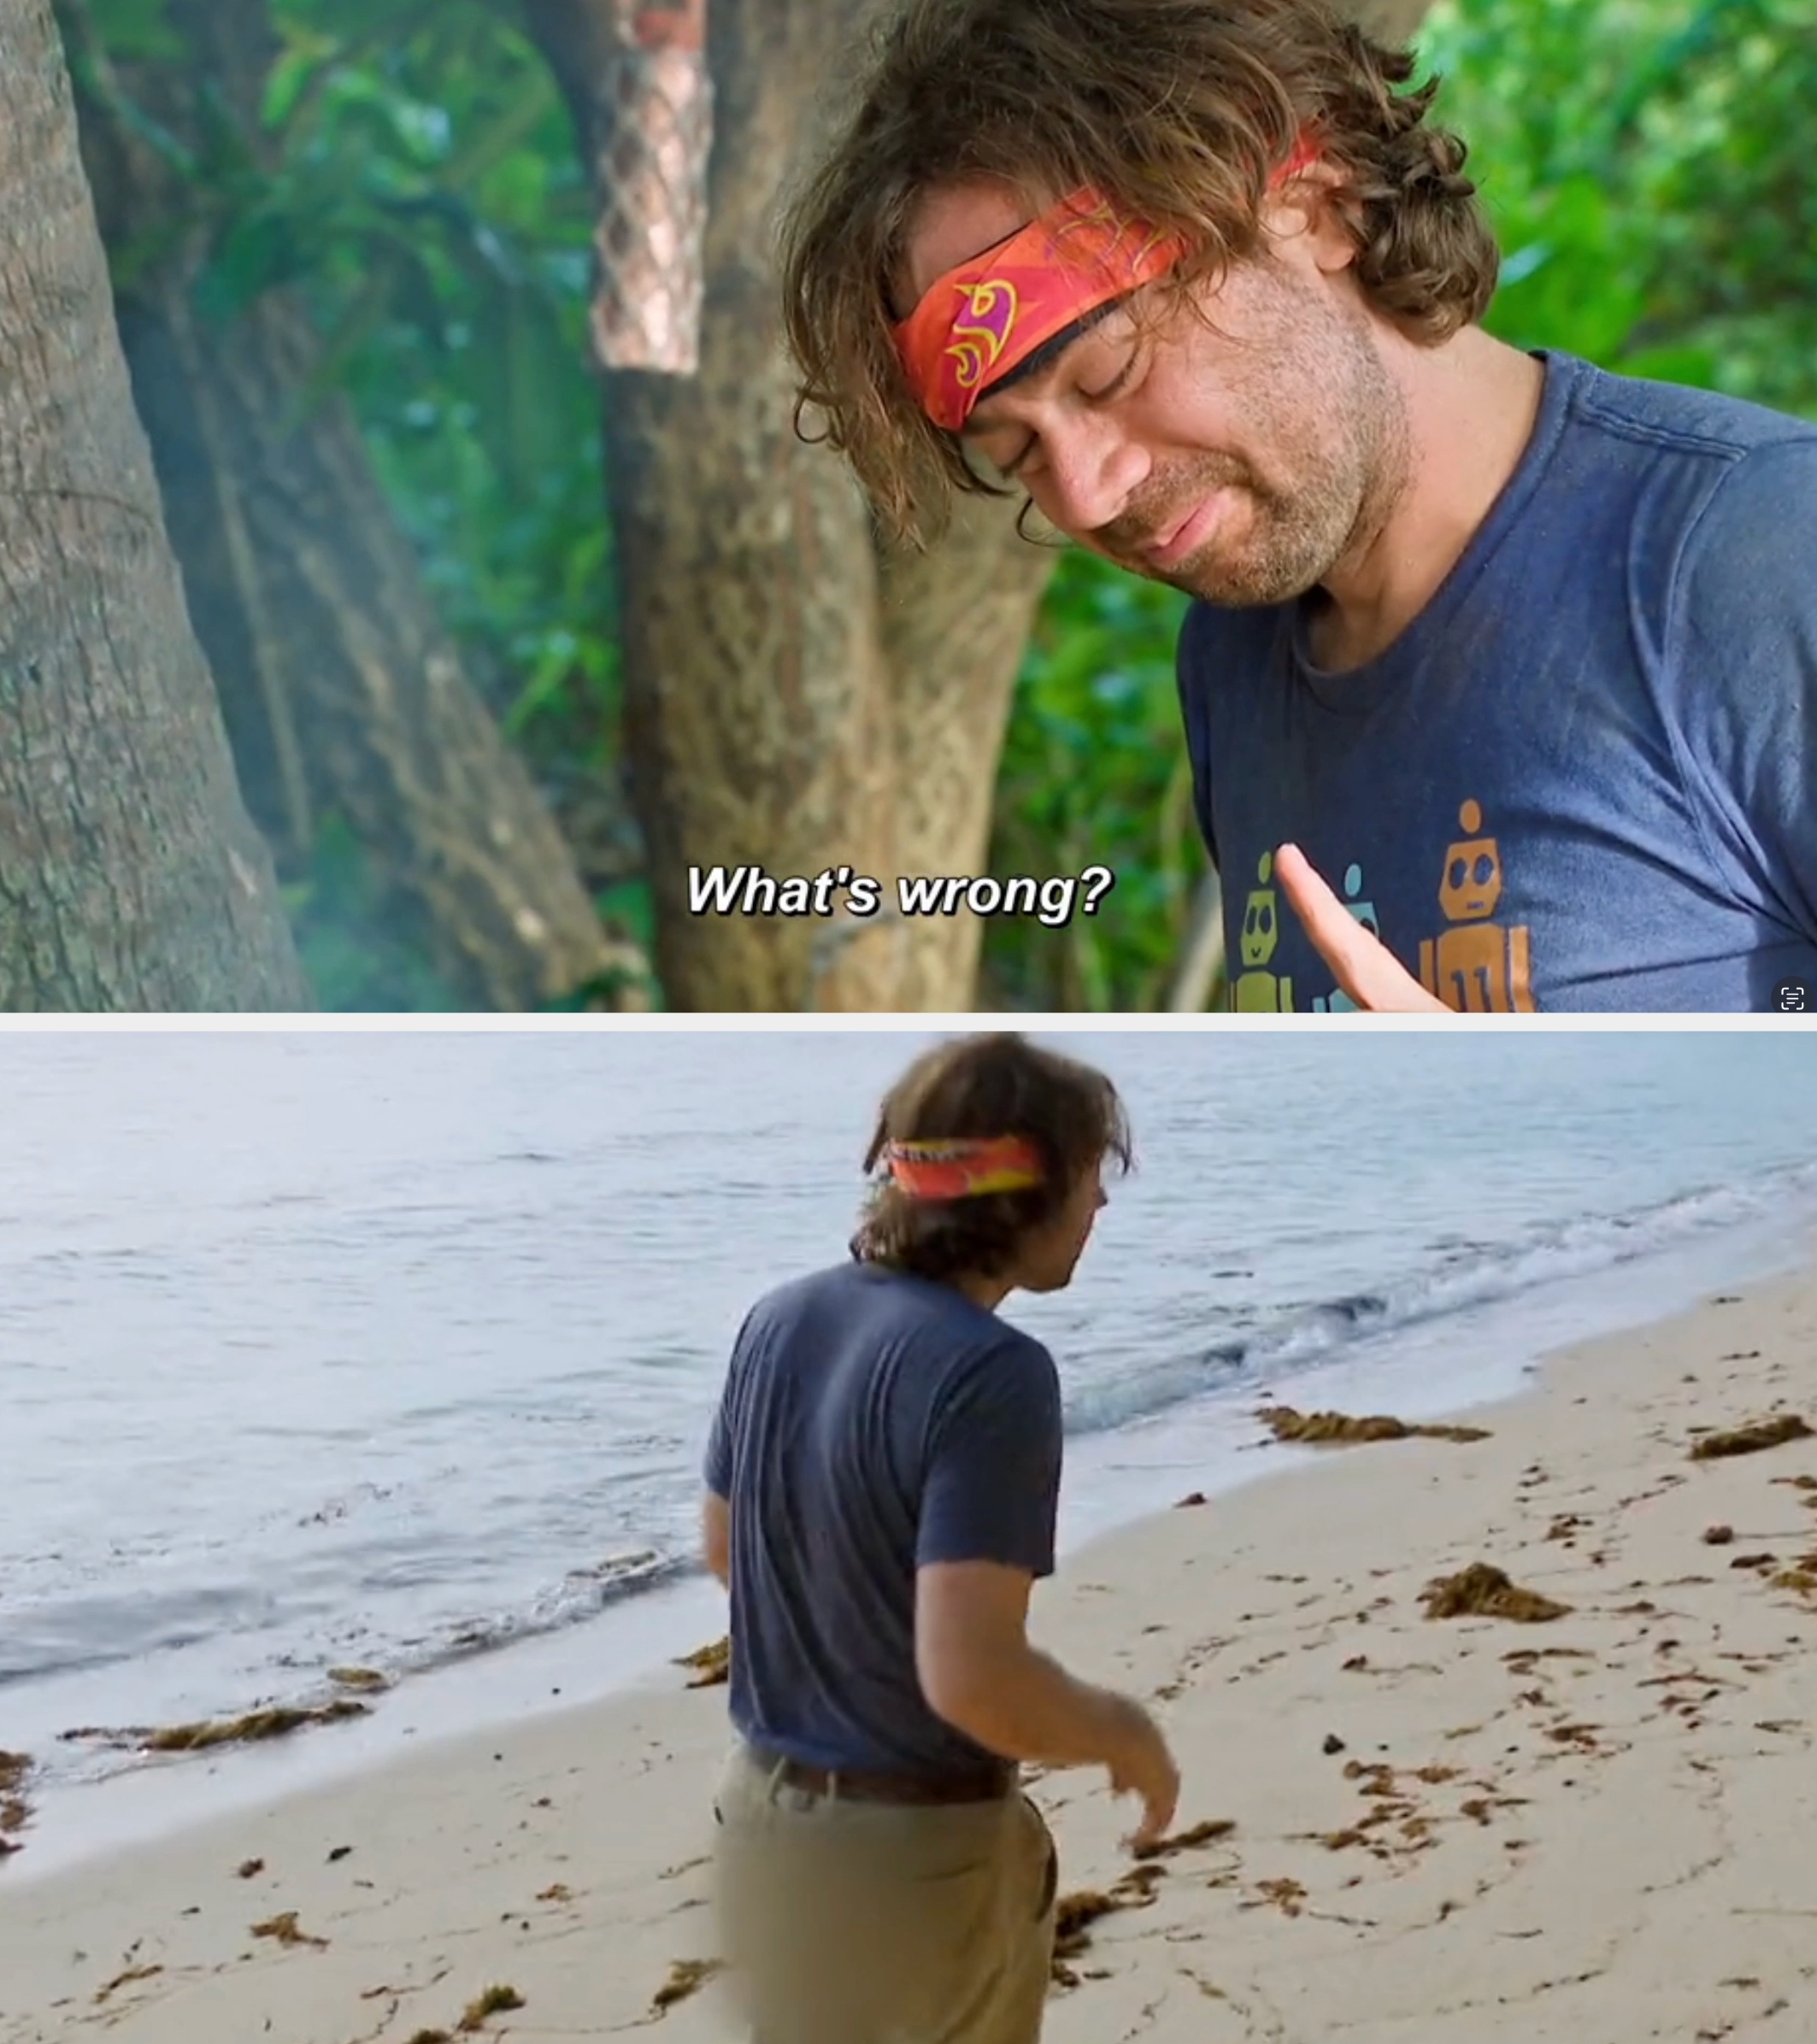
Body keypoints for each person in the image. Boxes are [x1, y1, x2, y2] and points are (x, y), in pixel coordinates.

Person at [779, 0, 1817, 1013]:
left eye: (1109, 374)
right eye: (1016, 453)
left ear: (1315, 209)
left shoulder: (1754, 561)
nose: (1088, 494)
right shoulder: (1230, 663)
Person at [700, 1032, 1179, 2044]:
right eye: (1092, 1172)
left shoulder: (776, 1319)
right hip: (911, 1859)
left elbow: (728, 1554)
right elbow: (972, 1679)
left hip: (761, 1822)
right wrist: (1118, 1731)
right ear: (1024, 1189)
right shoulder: (992, 1374)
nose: (1099, 1203)